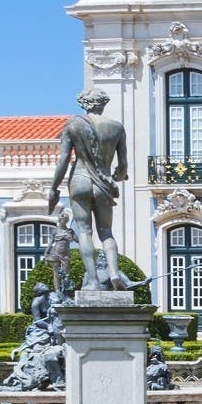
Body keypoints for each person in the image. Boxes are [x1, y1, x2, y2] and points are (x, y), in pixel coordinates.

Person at [51, 89, 135, 292]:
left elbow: (63, 160)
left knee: (85, 232)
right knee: (106, 233)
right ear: (103, 104)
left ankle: (94, 282)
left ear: (84, 105)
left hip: (79, 180)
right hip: (104, 183)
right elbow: (123, 166)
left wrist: (54, 188)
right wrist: (118, 176)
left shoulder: (72, 125)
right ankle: (114, 273)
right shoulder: (116, 127)